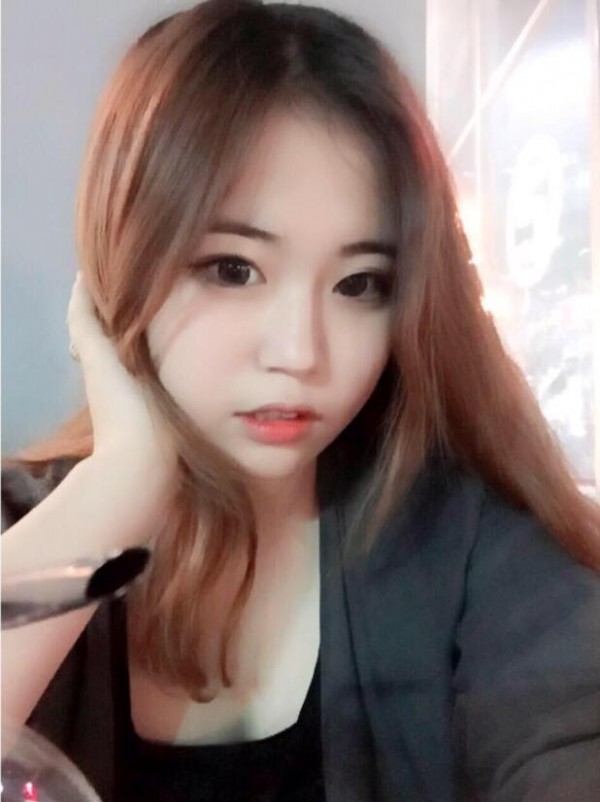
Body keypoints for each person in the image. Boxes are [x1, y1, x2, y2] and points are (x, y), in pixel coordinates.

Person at [2, 1, 600, 800]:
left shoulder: (473, 547)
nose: (301, 353)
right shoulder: (24, 532)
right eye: (232, 269)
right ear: (121, 260)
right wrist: (120, 482)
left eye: (360, 284)